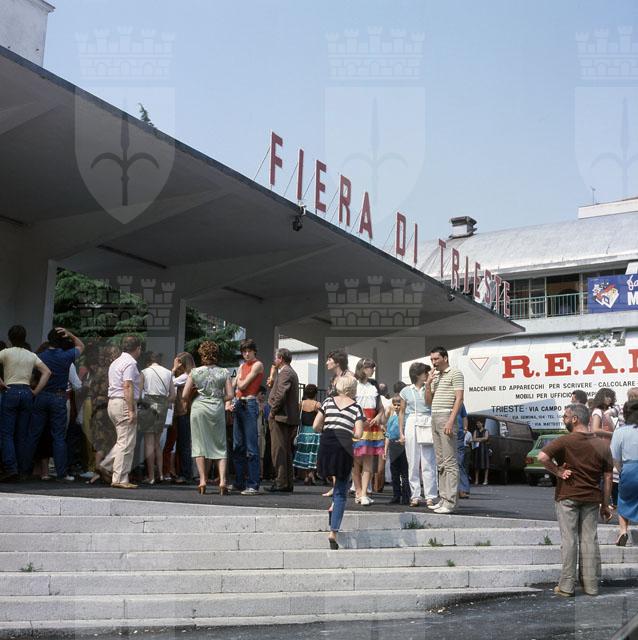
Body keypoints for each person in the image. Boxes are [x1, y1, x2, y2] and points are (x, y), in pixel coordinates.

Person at [538, 403, 613, 597]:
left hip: (567, 496)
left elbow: (542, 457)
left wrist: (557, 471)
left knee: (569, 540)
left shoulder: (565, 441)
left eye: (565, 416)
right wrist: (605, 505)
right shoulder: (602, 445)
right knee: (589, 540)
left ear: (575, 419)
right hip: (592, 498)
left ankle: (566, 586)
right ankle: (591, 586)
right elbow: (607, 478)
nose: (563, 419)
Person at [314, 374, 364, 549]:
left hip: (327, 444)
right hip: (344, 446)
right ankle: (333, 532)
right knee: (342, 490)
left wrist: (328, 429)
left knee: (332, 475)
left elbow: (315, 426)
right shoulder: (356, 408)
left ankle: (333, 505)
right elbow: (359, 433)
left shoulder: (328, 402)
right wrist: (348, 431)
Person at [28, 327, 84, 482]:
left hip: (41, 396)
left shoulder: (39, 356)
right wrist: (70, 334)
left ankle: (24, 469)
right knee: (59, 437)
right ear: (62, 340)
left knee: (34, 434)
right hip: (59, 397)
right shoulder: (66, 356)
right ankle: (61, 473)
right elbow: (81, 346)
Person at [0, 325, 51, 481]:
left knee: (7, 433)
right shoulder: (31, 355)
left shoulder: (6, 352)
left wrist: (1, 382)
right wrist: (35, 391)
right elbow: (47, 372)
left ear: (10, 338)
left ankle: (11, 468)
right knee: (22, 434)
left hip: (10, 391)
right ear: (25, 338)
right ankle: (23, 469)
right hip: (27, 392)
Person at [182, 341, 233, 495]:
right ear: (216, 355)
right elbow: (230, 395)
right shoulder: (224, 372)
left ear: (202, 355)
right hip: (216, 408)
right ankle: (222, 481)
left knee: (199, 444)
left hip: (199, 408)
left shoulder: (195, 372)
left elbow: (184, 395)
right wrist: (218, 398)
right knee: (220, 444)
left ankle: (202, 481)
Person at [101, 335, 142, 489]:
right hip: (124, 403)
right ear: (138, 348)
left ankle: (106, 465)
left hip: (113, 402)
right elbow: (127, 385)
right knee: (126, 443)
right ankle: (120, 478)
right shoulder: (130, 363)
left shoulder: (116, 362)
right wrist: (131, 410)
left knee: (122, 440)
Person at [426, 346, 463, 514]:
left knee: (449, 461)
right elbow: (428, 401)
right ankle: (443, 498)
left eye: (436, 359)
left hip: (446, 416)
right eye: (432, 359)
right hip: (434, 416)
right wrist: (428, 384)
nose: (433, 362)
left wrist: (451, 421)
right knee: (440, 462)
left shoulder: (455, 373)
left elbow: (459, 399)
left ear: (445, 358)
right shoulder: (435, 376)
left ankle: (450, 502)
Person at [399, 362, 437, 508]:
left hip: (427, 419)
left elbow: (429, 403)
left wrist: (428, 385)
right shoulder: (405, 390)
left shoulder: (430, 387)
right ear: (417, 375)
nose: (427, 375)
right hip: (411, 421)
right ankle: (415, 495)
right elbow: (402, 412)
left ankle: (430, 496)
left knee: (428, 460)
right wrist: (401, 432)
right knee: (413, 460)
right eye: (425, 373)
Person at [232, 338, 264, 495]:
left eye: (249, 351)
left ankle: (253, 484)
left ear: (254, 351)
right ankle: (239, 482)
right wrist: (238, 381)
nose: (246, 354)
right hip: (239, 403)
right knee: (238, 446)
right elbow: (234, 385)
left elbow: (242, 385)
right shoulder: (242, 366)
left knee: (251, 447)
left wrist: (238, 379)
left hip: (250, 404)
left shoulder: (257, 365)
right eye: (244, 351)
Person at [139, 352, 175, 484]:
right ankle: (160, 474)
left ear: (149, 361)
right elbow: (173, 396)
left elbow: (139, 393)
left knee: (148, 443)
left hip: (148, 404)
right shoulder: (168, 372)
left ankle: (151, 476)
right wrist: (163, 403)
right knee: (157, 443)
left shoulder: (144, 372)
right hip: (162, 406)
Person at [352, 358, 384, 506]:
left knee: (368, 461)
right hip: (358, 423)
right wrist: (360, 419)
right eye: (371, 367)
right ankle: (358, 491)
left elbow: (380, 407)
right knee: (356, 462)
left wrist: (378, 416)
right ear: (363, 368)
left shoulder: (374, 385)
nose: (373, 370)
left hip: (372, 425)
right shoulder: (354, 385)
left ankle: (364, 493)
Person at [267, 348, 300, 493]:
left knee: (279, 451)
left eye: (276, 357)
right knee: (285, 451)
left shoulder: (285, 372)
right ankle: (286, 483)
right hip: (287, 417)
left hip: (281, 417)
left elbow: (281, 394)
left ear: (280, 358)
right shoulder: (290, 372)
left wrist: (272, 411)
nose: (274, 360)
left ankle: (280, 482)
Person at [610, 399, 638, 547]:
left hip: (629, 468)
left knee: (623, 499)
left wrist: (621, 472)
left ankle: (623, 531)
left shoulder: (620, 432)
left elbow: (615, 458)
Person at [169, 351, 196, 484]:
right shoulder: (189, 375)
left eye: (178, 362)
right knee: (183, 443)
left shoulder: (186, 376)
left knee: (184, 444)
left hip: (184, 412)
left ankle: (185, 474)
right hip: (185, 412)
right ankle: (185, 473)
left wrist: (173, 369)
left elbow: (168, 382)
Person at [293, 384, 322, 485]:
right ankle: (311, 474)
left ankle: (306, 475)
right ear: (315, 393)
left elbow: (297, 416)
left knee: (304, 452)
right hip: (314, 432)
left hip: (303, 431)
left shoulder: (301, 403)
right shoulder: (317, 404)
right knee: (313, 454)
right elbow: (322, 416)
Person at [385, 393, 409, 505]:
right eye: (395, 404)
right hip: (393, 445)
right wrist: (385, 449)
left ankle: (406, 496)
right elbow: (388, 434)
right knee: (394, 472)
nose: (396, 407)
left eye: (399, 405)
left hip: (403, 445)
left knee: (404, 473)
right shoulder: (391, 416)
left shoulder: (405, 417)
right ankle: (396, 495)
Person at [456, 403, 471, 498]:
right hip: (446, 434)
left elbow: (464, 416)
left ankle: (463, 489)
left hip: (459, 435)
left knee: (459, 463)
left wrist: (465, 429)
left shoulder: (460, 403)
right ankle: (453, 490)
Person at [472, 419, 490, 485]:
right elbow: (473, 439)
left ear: (482, 423)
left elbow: (486, 438)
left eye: (479, 423)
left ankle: (486, 480)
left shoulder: (486, 430)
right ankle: (476, 480)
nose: (478, 424)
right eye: (477, 423)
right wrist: (481, 439)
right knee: (476, 465)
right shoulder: (475, 431)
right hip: (477, 449)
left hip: (484, 449)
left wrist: (478, 439)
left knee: (486, 465)